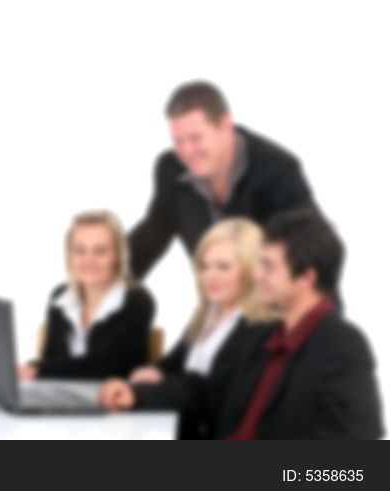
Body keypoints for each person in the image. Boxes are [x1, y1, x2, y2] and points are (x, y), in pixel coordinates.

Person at [106, 209, 384, 439]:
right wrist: (137, 395)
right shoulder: (264, 335)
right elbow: (206, 392)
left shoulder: (342, 345)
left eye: (268, 267)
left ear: (307, 278)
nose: (258, 275)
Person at [99, 218, 276, 438]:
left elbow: (211, 393)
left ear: (251, 271)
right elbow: (173, 364)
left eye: (223, 266)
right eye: (204, 266)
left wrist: (142, 394)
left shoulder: (263, 328)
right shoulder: (207, 314)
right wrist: (154, 373)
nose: (210, 276)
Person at [128, 81, 319, 281]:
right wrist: (99, 290)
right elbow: (149, 238)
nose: (186, 152)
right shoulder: (171, 171)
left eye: (196, 138)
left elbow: (312, 253)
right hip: (222, 305)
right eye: (178, 141)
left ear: (225, 125)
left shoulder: (277, 170)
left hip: (277, 303)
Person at [18, 210, 155, 381]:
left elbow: (105, 366)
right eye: (79, 251)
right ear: (69, 255)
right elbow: (50, 359)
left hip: (113, 401)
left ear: (118, 256)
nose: (88, 259)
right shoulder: (60, 297)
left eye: (100, 251)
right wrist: (31, 370)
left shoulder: (137, 300)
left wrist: (37, 368)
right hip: (63, 398)